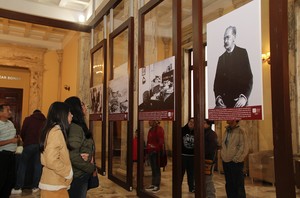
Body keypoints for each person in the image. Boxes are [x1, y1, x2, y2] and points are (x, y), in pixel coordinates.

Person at [39, 102, 73, 198]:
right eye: (69, 113)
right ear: (62, 115)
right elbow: (51, 160)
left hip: (53, 182)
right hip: (55, 184)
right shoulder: (55, 132)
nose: (72, 115)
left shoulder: (52, 130)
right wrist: (67, 172)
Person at [213, 26, 253, 108]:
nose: (225, 41)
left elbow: (249, 77)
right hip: (224, 104)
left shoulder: (242, 53)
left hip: (239, 102)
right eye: (224, 38)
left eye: (227, 37)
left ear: (234, 38)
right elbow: (217, 82)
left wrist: (244, 97)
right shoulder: (221, 58)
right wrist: (218, 97)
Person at [65, 96, 96, 198]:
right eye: (82, 104)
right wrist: (91, 168)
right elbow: (73, 156)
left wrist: (89, 156)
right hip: (77, 175)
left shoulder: (79, 126)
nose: (85, 107)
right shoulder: (75, 128)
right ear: (76, 108)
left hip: (80, 173)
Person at [11, 109, 46, 195]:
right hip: (40, 146)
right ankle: (35, 187)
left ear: (33, 113)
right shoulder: (45, 121)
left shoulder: (28, 119)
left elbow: (23, 132)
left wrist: (25, 139)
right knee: (37, 166)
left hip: (29, 144)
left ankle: (18, 187)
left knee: (22, 166)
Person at [221, 120, 248, 198]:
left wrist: (236, 159)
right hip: (226, 161)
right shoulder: (226, 130)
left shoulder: (241, 131)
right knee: (229, 184)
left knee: (238, 185)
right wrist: (223, 155)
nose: (226, 119)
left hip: (236, 162)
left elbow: (244, 147)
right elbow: (224, 144)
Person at [0, 104, 19, 197]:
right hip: (2, 156)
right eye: (7, 110)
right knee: (2, 180)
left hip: (12, 155)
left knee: (10, 180)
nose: (10, 112)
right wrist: (11, 141)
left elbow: (12, 136)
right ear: (0, 112)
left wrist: (17, 139)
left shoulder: (10, 123)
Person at [145, 120, 164, 193]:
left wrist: (154, 147)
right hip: (150, 152)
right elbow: (148, 141)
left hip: (156, 153)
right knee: (153, 169)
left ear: (155, 121)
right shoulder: (150, 129)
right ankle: (153, 184)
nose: (148, 122)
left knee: (157, 169)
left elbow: (161, 142)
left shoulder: (159, 129)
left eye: (150, 121)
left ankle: (157, 185)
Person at [204, 119, 218, 198]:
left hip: (209, 160)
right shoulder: (203, 133)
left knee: (208, 180)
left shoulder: (212, 134)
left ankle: (211, 196)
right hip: (203, 159)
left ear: (208, 125)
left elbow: (211, 148)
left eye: (204, 123)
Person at [181, 117, 195, 193]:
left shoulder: (197, 131)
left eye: (193, 122)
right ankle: (178, 186)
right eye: (190, 121)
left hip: (192, 156)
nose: (191, 123)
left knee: (191, 173)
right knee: (180, 173)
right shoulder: (182, 130)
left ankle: (191, 187)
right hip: (183, 155)